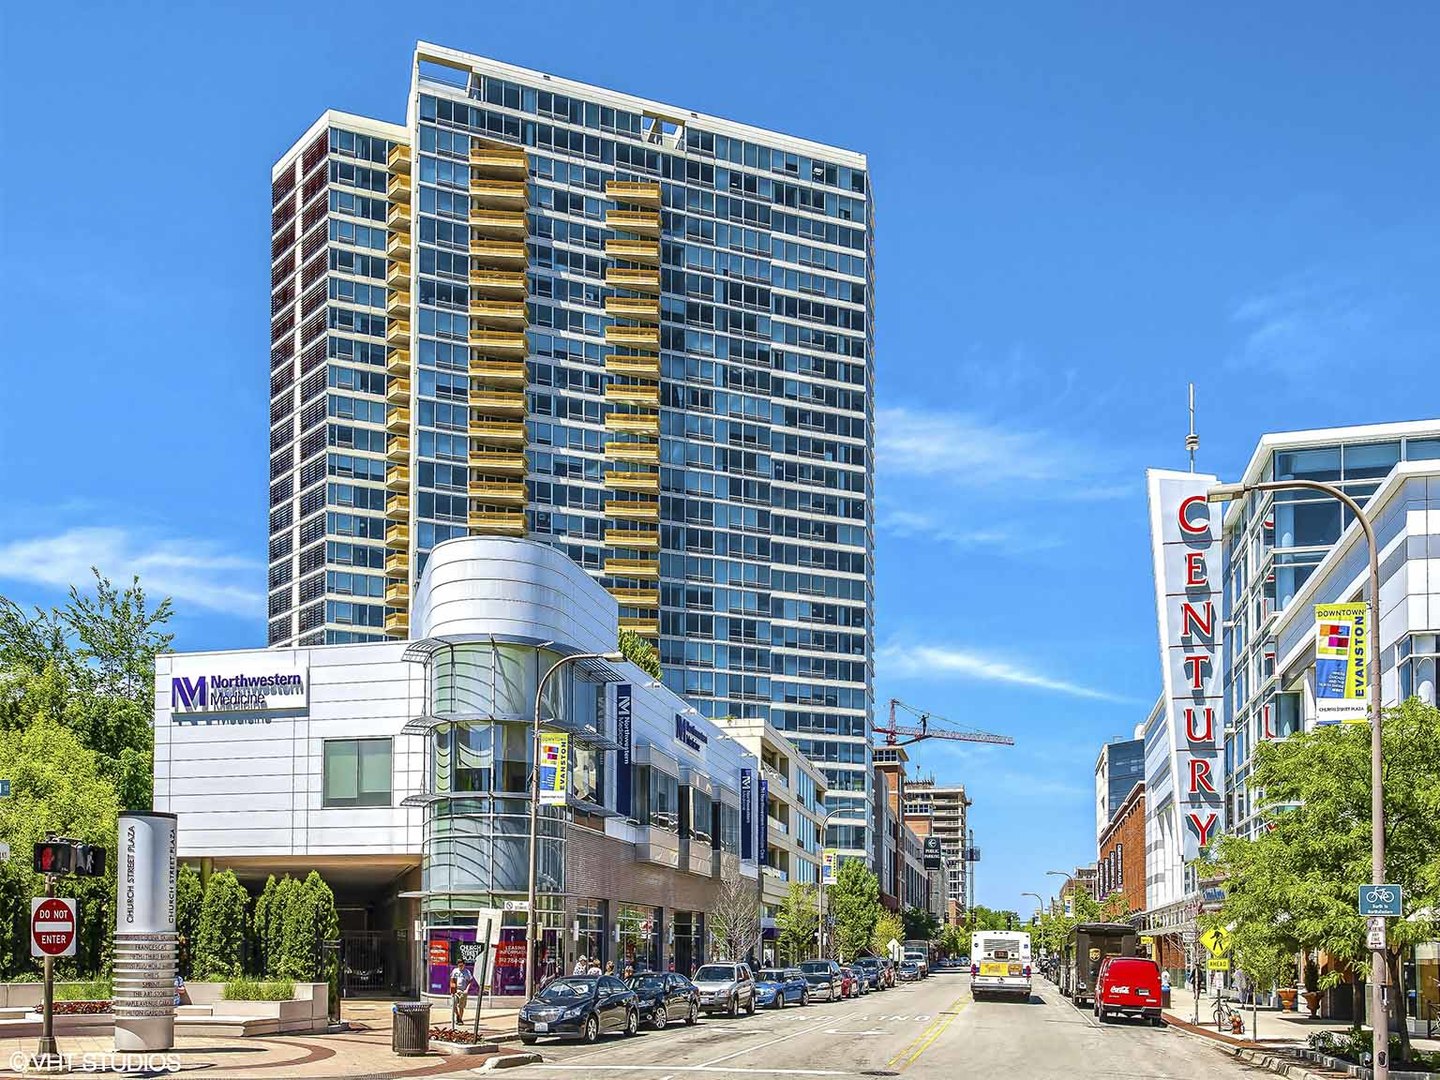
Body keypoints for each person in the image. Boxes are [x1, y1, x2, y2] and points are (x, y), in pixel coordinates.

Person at [450, 960, 473, 1026]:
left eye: (461, 965)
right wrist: (452, 989)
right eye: (459, 966)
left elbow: (470, 981)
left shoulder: (467, 972)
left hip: (463, 991)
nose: (460, 967)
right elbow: (452, 980)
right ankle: (457, 1016)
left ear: (464, 965)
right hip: (456, 990)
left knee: (461, 1006)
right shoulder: (455, 971)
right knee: (453, 1004)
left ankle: (460, 1019)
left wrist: (467, 990)